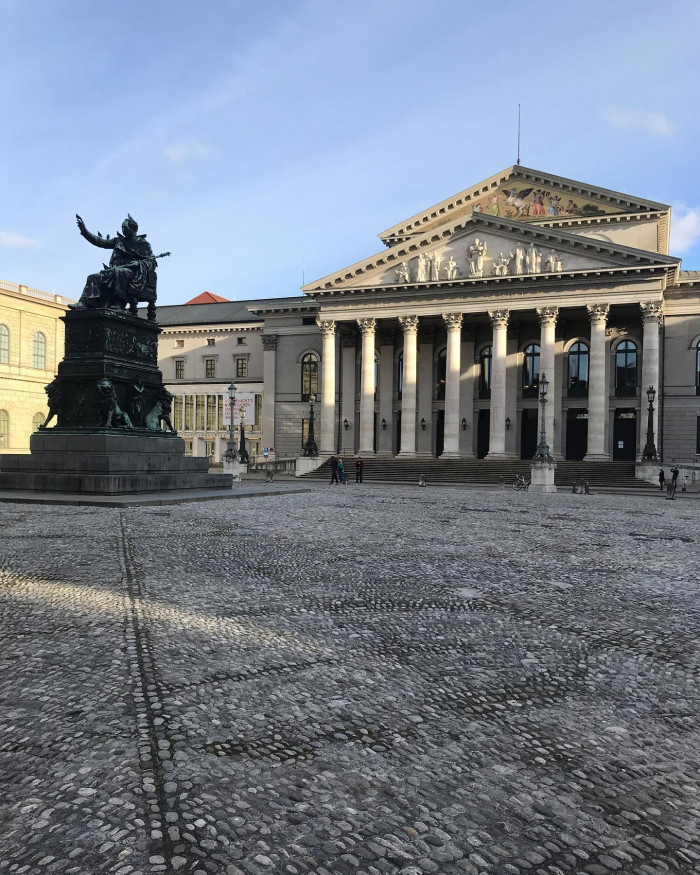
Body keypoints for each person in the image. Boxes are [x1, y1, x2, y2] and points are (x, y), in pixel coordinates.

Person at [70, 214, 167, 320]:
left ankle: (119, 303)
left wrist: (138, 264)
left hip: (135, 274)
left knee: (120, 272)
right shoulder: (119, 241)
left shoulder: (144, 244)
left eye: (125, 227)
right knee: (93, 277)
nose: (123, 230)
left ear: (133, 229)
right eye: (122, 227)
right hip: (115, 271)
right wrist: (84, 231)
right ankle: (85, 302)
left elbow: (152, 262)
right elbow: (101, 242)